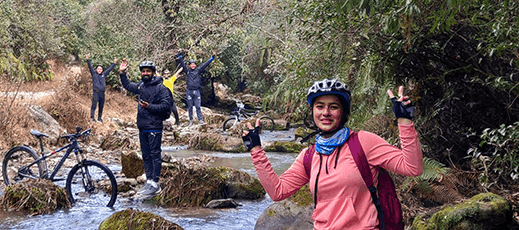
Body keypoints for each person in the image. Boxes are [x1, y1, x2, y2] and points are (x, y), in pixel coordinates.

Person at [241, 78, 423, 229]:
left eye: (333, 107)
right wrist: (256, 150)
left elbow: (412, 167)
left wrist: (404, 121)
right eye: (319, 106)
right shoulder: (309, 156)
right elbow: (277, 192)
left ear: (343, 112)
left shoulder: (363, 142)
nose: (325, 113)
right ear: (312, 111)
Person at [118, 59, 173, 196]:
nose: (145, 73)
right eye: (143, 71)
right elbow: (128, 85)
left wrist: (149, 106)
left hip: (154, 127)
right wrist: (122, 73)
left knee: (155, 155)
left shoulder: (161, 88)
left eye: (148, 71)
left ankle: (155, 183)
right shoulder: (141, 86)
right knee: (146, 156)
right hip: (142, 127)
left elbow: (166, 106)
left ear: (153, 73)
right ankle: (149, 181)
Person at [176, 51, 216, 125]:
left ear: (195, 65)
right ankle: (191, 120)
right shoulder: (187, 71)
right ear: (189, 65)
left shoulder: (198, 71)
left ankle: (200, 120)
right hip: (189, 92)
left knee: (198, 106)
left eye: (194, 64)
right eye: (191, 64)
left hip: (197, 92)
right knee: (190, 107)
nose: (193, 65)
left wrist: (212, 58)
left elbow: (205, 65)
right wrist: (179, 56)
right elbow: (182, 64)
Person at [86, 54, 116, 122]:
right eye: (98, 69)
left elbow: (109, 69)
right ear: (96, 69)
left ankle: (99, 118)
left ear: (102, 70)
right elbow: (90, 67)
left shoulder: (104, 74)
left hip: (102, 93)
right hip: (96, 92)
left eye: (100, 69)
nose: (99, 70)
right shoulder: (94, 74)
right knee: (94, 105)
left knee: (101, 106)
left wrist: (114, 63)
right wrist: (88, 59)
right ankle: (92, 117)